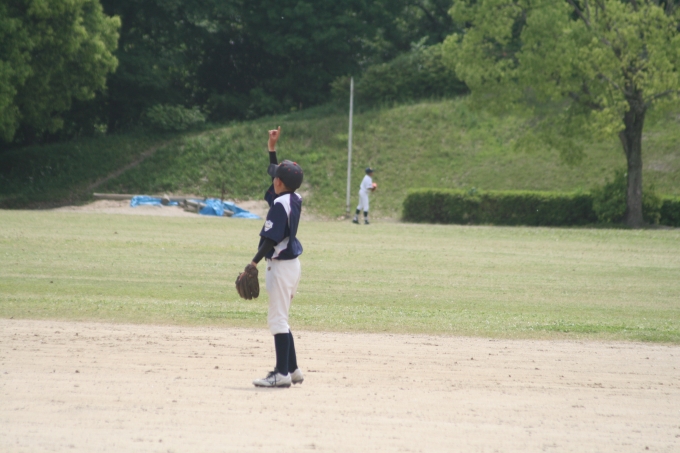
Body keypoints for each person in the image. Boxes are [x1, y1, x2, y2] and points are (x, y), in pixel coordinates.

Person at [248, 126, 305, 388]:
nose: (273, 179)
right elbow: (279, 176)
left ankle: (281, 374)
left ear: (279, 183)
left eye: (276, 177)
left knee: (278, 321)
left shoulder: (279, 206)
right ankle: (292, 369)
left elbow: (270, 239)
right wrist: (272, 149)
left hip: (280, 267)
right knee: (282, 318)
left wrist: (253, 262)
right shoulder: (294, 197)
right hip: (292, 266)